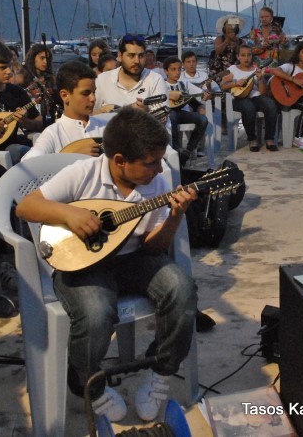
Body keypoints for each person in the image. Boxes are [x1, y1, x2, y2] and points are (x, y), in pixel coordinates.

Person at [15, 107, 197, 422]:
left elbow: (156, 246)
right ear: (119, 161)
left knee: (182, 289)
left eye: (160, 160)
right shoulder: (83, 173)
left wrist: (177, 214)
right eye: (150, 162)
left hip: (136, 258)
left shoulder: (159, 179)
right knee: (97, 313)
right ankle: (89, 382)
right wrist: (69, 214)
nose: (158, 168)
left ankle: (161, 370)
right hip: (82, 263)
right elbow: (27, 207)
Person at [23, 60, 109, 159]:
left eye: (94, 92)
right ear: (65, 95)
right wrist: (72, 157)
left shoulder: (106, 128)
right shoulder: (53, 133)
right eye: (86, 93)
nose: (93, 98)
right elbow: (29, 164)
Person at [219, 43, 279, 152]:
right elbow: (222, 86)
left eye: (249, 55)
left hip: (255, 97)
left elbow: (262, 92)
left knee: (271, 105)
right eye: (243, 55)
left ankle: (269, 139)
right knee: (248, 107)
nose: (246, 58)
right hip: (238, 98)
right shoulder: (232, 69)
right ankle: (252, 139)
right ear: (238, 57)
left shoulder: (256, 70)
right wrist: (235, 83)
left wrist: (260, 79)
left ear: (252, 56)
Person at [94, 35, 168, 115]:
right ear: (119, 56)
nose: (137, 61)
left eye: (141, 56)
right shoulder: (102, 80)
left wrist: (146, 113)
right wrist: (105, 111)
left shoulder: (155, 80)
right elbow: (88, 115)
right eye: (131, 55)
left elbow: (163, 118)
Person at [163, 56, 209, 166]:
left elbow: (199, 93)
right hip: (169, 113)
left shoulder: (184, 84)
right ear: (166, 71)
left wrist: (205, 95)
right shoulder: (162, 84)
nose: (177, 72)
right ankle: (176, 151)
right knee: (172, 116)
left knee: (203, 119)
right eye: (173, 69)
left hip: (183, 113)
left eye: (179, 69)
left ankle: (188, 151)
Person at [24, 43, 60, 127]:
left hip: (50, 120)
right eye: (42, 58)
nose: (45, 62)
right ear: (32, 58)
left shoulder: (52, 79)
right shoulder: (23, 78)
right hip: (30, 121)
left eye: (47, 58)